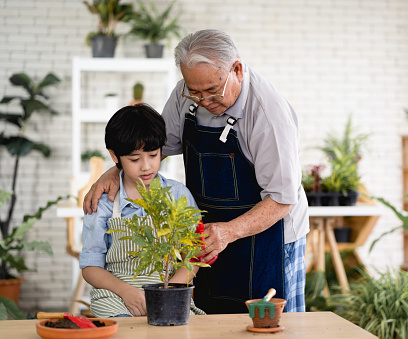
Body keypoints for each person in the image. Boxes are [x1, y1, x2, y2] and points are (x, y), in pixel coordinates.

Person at [83, 29, 309, 314]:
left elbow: (282, 199)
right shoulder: (186, 92)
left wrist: (230, 231)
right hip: (210, 234)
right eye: (195, 92)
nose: (202, 101)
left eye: (212, 91)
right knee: (214, 316)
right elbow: (152, 146)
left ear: (236, 70)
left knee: (269, 324)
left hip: (270, 235)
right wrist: (112, 172)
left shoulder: (269, 117)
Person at [79, 104, 205, 318]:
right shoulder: (103, 202)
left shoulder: (178, 195)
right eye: (135, 159)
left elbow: (192, 258)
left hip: (169, 291)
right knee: (121, 327)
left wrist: (167, 292)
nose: (146, 166)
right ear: (114, 156)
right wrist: (128, 293)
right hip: (116, 296)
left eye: (153, 155)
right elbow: (90, 267)